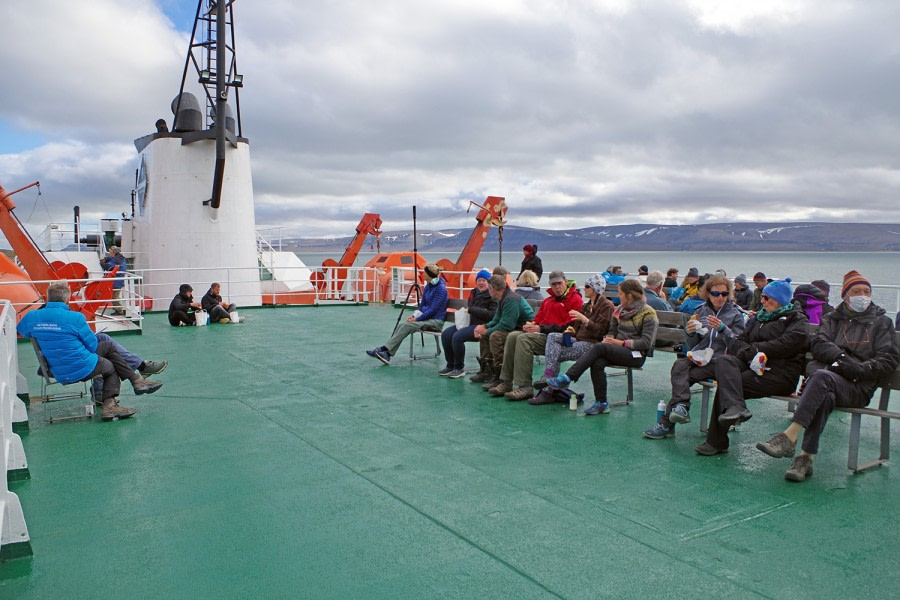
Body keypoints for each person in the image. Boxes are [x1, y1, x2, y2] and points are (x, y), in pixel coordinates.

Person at [756, 271, 899, 481]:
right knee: (825, 393)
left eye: (867, 291)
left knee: (822, 378)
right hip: (831, 383)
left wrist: (859, 369)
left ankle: (789, 436)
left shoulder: (881, 322)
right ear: (845, 295)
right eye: (856, 291)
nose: (863, 295)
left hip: (859, 388)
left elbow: (887, 359)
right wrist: (842, 358)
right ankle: (805, 459)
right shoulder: (831, 319)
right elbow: (819, 343)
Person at [17, 281, 163, 421]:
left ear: (47, 298)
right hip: (79, 368)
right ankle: (116, 399)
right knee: (110, 363)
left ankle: (133, 380)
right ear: (67, 299)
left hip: (54, 368)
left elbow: (21, 331)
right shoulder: (75, 318)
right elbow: (92, 347)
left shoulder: (32, 317)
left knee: (104, 340)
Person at [694, 278, 809, 456]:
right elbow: (739, 341)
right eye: (762, 297)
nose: (762, 301)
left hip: (779, 374)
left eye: (766, 297)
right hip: (752, 367)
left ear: (780, 300)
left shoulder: (796, 321)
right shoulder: (759, 318)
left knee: (728, 383)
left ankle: (717, 441)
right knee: (724, 362)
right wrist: (750, 352)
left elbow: (784, 345)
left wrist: (753, 350)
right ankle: (736, 408)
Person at [643, 275, 746, 439]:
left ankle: (668, 422)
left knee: (687, 377)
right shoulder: (700, 312)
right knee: (679, 366)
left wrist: (723, 329)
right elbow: (693, 345)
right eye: (716, 293)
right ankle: (681, 406)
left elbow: (738, 346)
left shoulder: (735, 315)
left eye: (724, 294)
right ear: (708, 294)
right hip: (700, 358)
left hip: (721, 363)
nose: (720, 297)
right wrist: (689, 333)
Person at [546, 279, 659, 416]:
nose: (618, 296)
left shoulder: (648, 313)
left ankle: (567, 377)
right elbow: (612, 331)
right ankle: (602, 403)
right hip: (617, 350)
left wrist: (621, 343)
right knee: (597, 361)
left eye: (620, 293)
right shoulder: (619, 310)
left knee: (599, 348)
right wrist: (609, 339)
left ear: (629, 296)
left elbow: (646, 342)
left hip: (636, 354)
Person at [488, 270, 584, 400]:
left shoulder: (575, 301)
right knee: (512, 336)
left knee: (523, 339)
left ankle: (525, 386)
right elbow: (538, 318)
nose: (557, 287)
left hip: (560, 339)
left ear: (566, 282)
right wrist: (531, 325)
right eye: (553, 284)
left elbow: (569, 327)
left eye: (559, 283)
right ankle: (506, 382)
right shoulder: (548, 301)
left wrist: (540, 328)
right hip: (544, 335)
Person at [530, 274, 614, 403]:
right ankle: (549, 377)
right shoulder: (587, 306)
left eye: (587, 286)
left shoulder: (606, 306)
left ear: (596, 289)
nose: (583, 288)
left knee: (554, 353)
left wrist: (585, 319)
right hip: (579, 340)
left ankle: (548, 390)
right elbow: (576, 326)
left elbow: (600, 331)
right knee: (552, 337)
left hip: (592, 345)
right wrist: (570, 331)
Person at [367, 264, 448, 365]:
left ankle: (385, 350)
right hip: (427, 318)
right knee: (402, 325)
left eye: (425, 273)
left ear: (429, 274)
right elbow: (422, 305)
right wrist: (415, 316)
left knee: (407, 325)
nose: (423, 274)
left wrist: (417, 320)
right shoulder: (428, 286)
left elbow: (433, 310)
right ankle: (387, 353)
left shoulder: (440, 289)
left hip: (436, 321)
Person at [472, 274, 535, 389]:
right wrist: (484, 327)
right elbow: (497, 319)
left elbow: (506, 325)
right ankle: (487, 370)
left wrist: (487, 331)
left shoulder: (511, 300)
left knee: (495, 336)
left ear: (492, 289)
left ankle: (501, 376)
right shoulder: (503, 298)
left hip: (524, 329)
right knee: (487, 334)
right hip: (515, 327)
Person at [439, 269, 497, 379]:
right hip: (469, 323)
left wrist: (473, 309)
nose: (481, 283)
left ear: (489, 282)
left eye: (484, 280)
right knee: (446, 334)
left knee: (457, 337)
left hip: (483, 326)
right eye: (479, 280)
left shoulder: (492, 295)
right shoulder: (474, 292)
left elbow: (492, 315)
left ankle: (459, 367)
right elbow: (470, 307)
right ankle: (450, 365)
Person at [99, 245, 127, 316]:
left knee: (114, 296)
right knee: (114, 296)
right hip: (118, 280)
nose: (110, 253)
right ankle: (117, 309)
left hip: (116, 281)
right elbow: (111, 259)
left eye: (110, 252)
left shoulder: (117, 260)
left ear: (113, 252)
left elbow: (107, 266)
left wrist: (102, 262)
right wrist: (106, 259)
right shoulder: (119, 258)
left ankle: (119, 311)